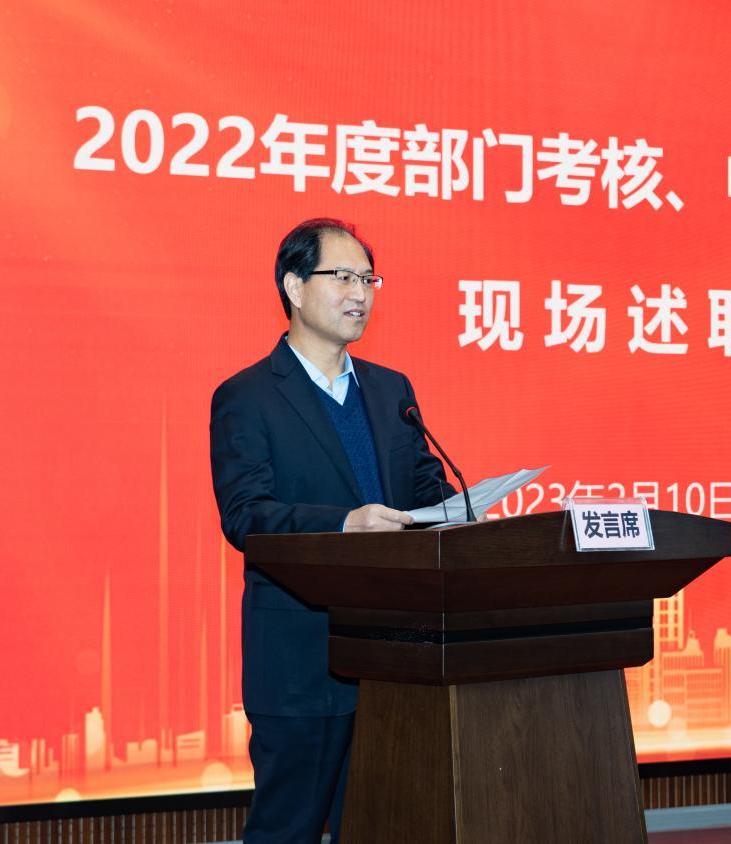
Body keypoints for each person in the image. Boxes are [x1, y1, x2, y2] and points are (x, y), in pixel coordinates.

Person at [209, 218, 453, 842]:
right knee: (287, 830)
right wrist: (345, 524)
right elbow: (246, 514)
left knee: (380, 826)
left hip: (394, 658)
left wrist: (468, 513)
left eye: (368, 279)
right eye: (342, 277)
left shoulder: (390, 389)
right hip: (301, 661)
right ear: (294, 287)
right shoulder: (247, 396)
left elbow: (426, 488)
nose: (360, 293)